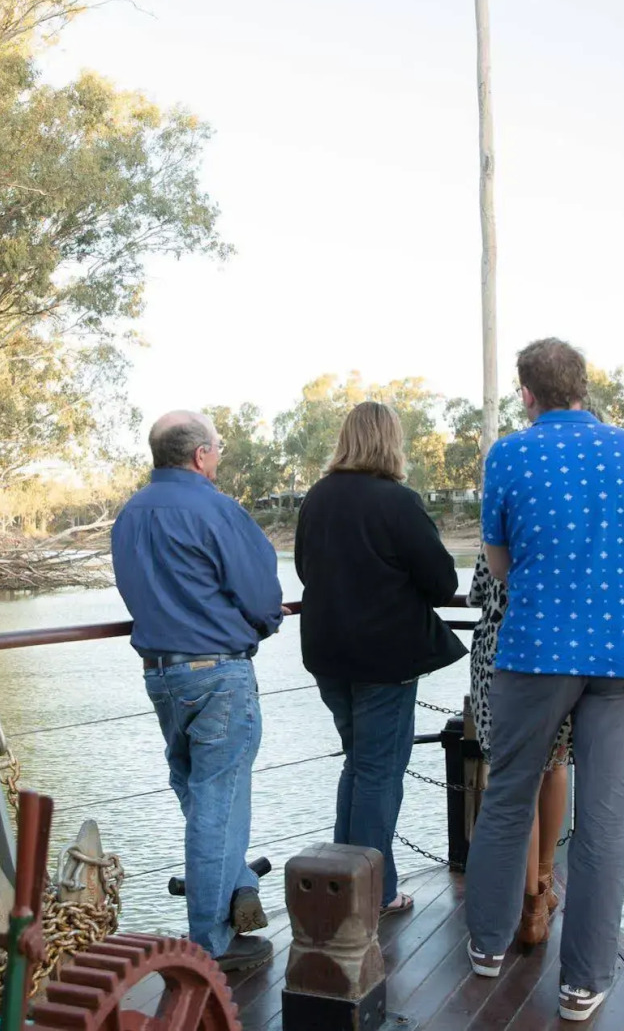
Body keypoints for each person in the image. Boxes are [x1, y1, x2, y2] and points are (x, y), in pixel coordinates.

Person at [464, 339, 624, 1023]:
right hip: (617, 655)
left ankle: (485, 947)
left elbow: (498, 562)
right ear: (583, 388)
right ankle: (583, 982)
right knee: (604, 822)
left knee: (507, 796)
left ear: (525, 394)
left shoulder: (509, 454)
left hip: (531, 653)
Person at [111, 410, 285, 972]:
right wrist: (260, 625)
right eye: (218, 448)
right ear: (200, 456)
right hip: (218, 672)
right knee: (214, 798)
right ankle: (207, 950)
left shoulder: (130, 514)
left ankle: (234, 888)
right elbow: (262, 597)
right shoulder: (217, 509)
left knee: (196, 785)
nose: (219, 456)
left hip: (161, 674)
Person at [295, 401, 466, 916]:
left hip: (328, 656)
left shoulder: (317, 498)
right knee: (379, 774)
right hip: (383, 663)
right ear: (390, 441)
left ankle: (344, 884)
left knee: (359, 766)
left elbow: (305, 569)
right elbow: (442, 582)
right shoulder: (396, 502)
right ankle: (371, 895)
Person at [466, 549, 571, 947]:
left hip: (498, 657)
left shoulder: (503, 514)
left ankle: (530, 907)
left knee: (514, 780)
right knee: (555, 765)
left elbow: (478, 592)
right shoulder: (569, 521)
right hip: (557, 654)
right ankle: (543, 889)